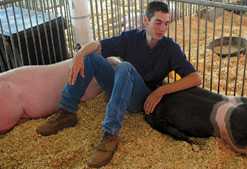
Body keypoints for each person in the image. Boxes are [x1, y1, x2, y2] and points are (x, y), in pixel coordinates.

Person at [36, 1, 201, 168]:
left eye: (166, 23)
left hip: (141, 99)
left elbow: (195, 78)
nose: (163, 28)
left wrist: (162, 90)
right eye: (158, 22)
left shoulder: (170, 48)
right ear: (145, 21)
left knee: (125, 67)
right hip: (121, 87)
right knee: (91, 57)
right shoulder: (131, 38)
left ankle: (110, 134)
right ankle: (67, 112)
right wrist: (79, 54)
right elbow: (98, 44)